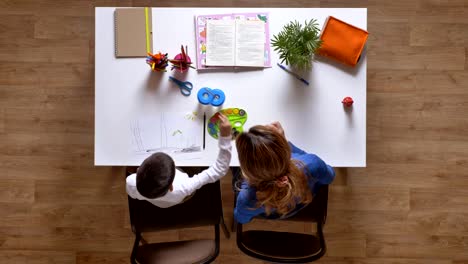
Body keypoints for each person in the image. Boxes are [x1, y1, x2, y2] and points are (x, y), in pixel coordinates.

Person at [233, 121, 335, 224]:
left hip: (272, 214)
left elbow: (241, 218)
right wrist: (285, 143)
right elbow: (330, 176)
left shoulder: (246, 198)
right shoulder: (312, 164)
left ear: (246, 169)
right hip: (302, 203)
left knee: (233, 171)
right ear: (286, 151)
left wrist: (246, 183)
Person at [126, 114, 232, 208]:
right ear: (171, 186)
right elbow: (219, 170)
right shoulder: (184, 186)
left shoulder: (131, 183)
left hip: (158, 200)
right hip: (180, 197)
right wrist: (225, 137)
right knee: (197, 163)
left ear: (138, 169)